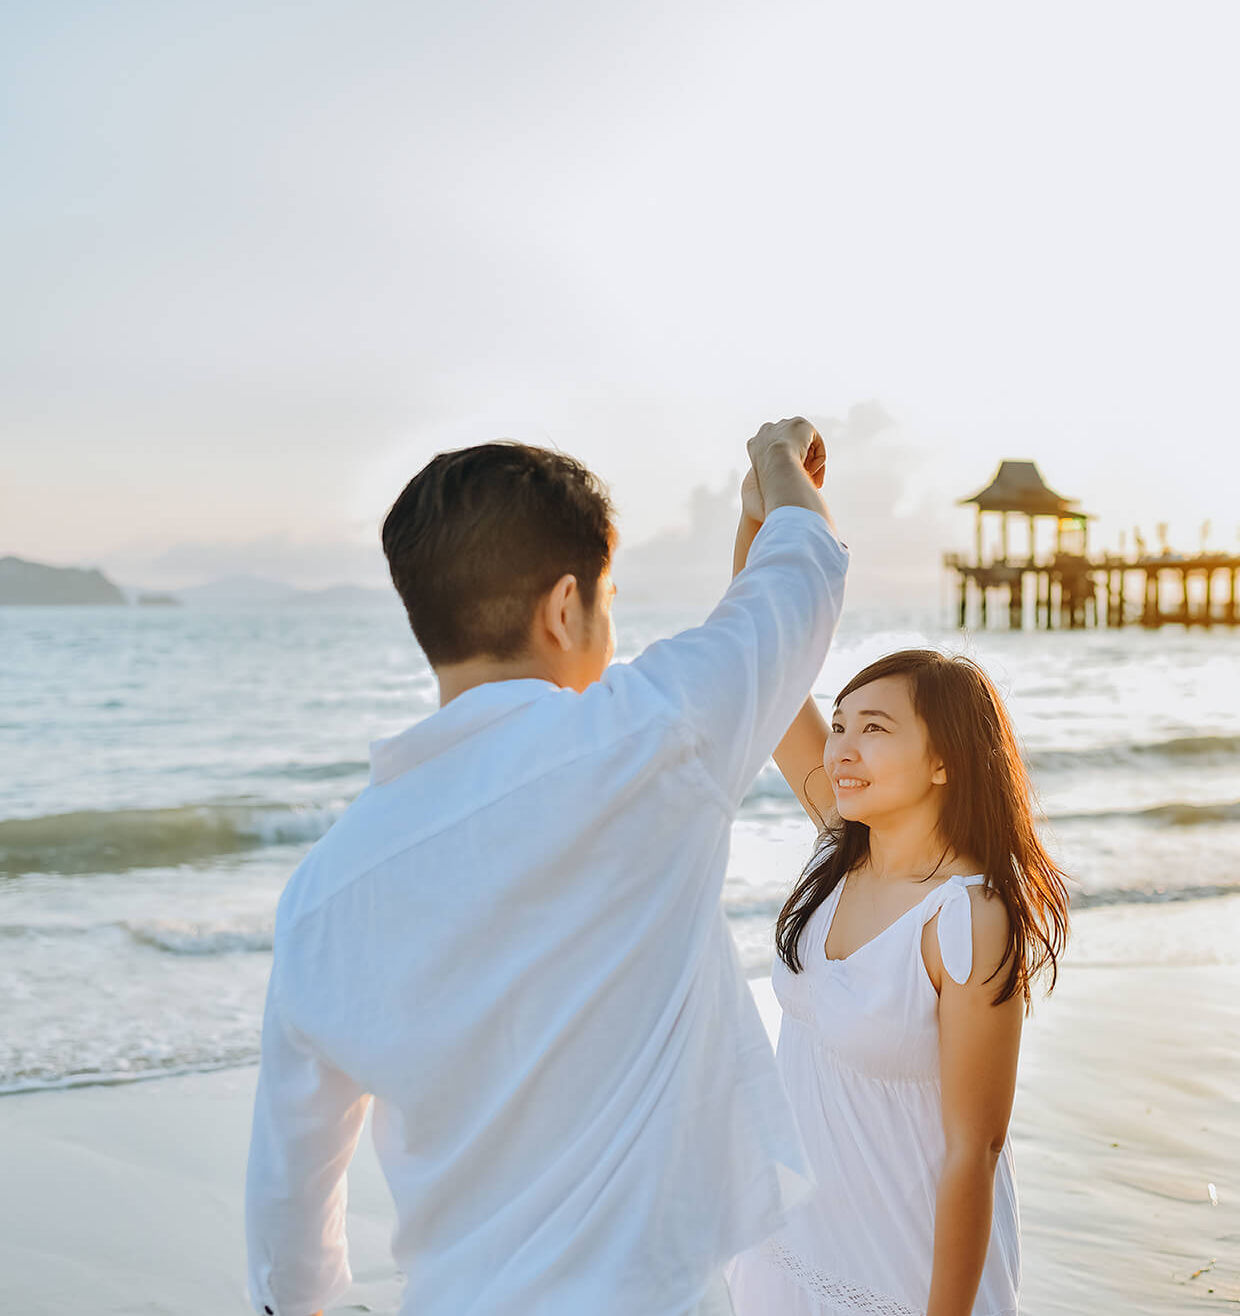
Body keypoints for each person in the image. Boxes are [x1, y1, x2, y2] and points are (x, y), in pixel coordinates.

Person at [244, 419, 847, 1316]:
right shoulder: (646, 741)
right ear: (566, 607)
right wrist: (774, 468)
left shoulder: (324, 893)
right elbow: (804, 578)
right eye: (608, 604)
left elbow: (290, 1194)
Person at [724, 635, 1070, 1316]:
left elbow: (976, 1147)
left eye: (874, 729)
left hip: (903, 1276)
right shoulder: (843, 856)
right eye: (840, 724)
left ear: (944, 761)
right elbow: (767, 660)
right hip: (789, 1252)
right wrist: (763, 528)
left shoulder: (966, 917)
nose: (841, 750)